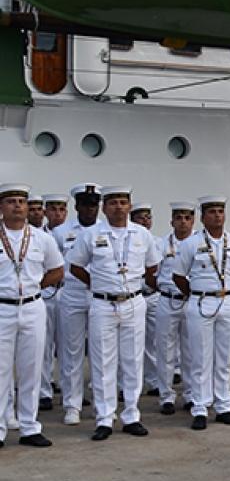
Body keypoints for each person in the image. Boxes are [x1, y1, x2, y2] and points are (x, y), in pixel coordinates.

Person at [66, 186, 160, 441]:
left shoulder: (142, 234)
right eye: (113, 203)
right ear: (105, 208)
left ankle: (131, 414)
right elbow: (75, 266)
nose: (118, 207)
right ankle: (105, 418)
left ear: (130, 206)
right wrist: (96, 284)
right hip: (102, 304)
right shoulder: (91, 234)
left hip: (133, 302)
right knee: (103, 361)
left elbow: (153, 266)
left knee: (132, 360)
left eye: (123, 202)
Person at [172, 195, 230, 429]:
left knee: (224, 359)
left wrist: (224, 292)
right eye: (212, 212)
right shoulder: (190, 244)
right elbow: (178, 276)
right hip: (201, 303)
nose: (217, 215)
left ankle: (224, 406)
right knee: (201, 359)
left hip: (226, 301)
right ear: (203, 217)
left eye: (220, 211)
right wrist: (198, 293)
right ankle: (200, 407)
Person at [0, 183, 64, 448]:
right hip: (2, 307)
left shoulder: (41, 238)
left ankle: (29, 426)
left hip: (32, 306)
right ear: (1, 207)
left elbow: (57, 270)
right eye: (11, 201)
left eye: (22, 201)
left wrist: (36, 287)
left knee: (31, 368)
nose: (17, 205)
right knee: (1, 371)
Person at [52, 183, 100, 425]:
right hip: (72, 292)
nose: (90, 209)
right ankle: (72, 404)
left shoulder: (106, 231)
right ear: (77, 206)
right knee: (71, 352)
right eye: (85, 204)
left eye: (94, 205)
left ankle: (101, 403)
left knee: (101, 352)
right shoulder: (61, 232)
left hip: (101, 295)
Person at [152, 202, 196, 415]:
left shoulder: (200, 244)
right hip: (167, 300)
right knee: (165, 350)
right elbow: (151, 273)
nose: (183, 222)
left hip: (191, 300)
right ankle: (166, 395)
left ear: (193, 220)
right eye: (178, 217)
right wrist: (163, 289)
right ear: (171, 221)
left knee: (191, 351)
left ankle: (190, 394)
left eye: (187, 217)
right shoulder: (161, 244)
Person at [38, 193, 68, 412]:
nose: (57, 213)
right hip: (46, 293)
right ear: (45, 212)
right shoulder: (37, 236)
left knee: (68, 345)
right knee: (45, 345)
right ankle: (44, 391)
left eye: (61, 209)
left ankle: (69, 390)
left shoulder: (74, 234)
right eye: (53, 209)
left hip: (68, 293)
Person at [130, 202, 163, 396]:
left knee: (153, 341)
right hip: (132, 294)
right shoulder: (127, 238)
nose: (145, 220)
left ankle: (153, 380)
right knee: (130, 343)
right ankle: (125, 383)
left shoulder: (158, 241)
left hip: (152, 294)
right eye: (140, 217)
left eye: (148, 217)